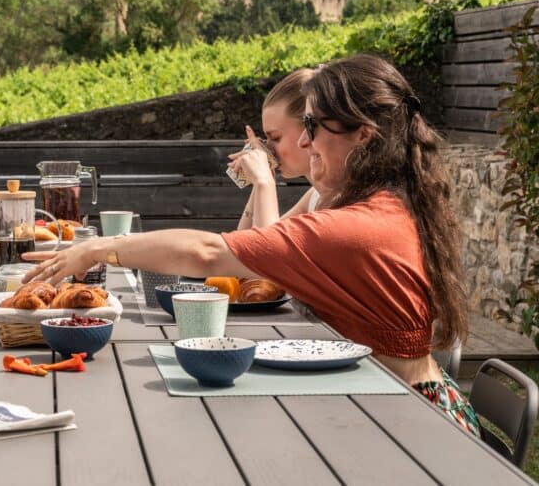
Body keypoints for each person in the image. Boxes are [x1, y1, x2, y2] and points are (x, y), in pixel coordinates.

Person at [25, 54, 479, 436]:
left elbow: (208, 253)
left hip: (418, 426)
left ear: (363, 134)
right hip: (382, 406)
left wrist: (97, 249)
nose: (303, 141)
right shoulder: (377, 205)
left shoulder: (359, 225)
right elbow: (248, 247)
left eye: (313, 128)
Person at [228, 68, 318, 229]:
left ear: (309, 130)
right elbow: (243, 245)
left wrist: (264, 182)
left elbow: (267, 249)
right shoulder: (315, 195)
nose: (268, 149)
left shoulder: (336, 200)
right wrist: (260, 181)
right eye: (266, 139)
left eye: (275, 138)